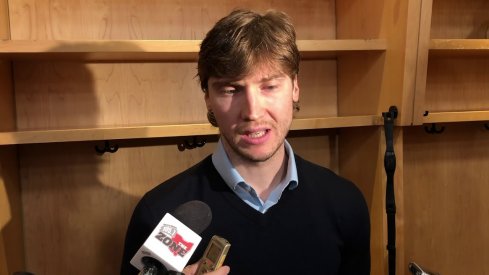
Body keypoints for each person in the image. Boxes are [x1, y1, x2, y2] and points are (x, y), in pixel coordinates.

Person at [121, 9, 370, 275]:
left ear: (295, 87)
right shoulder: (161, 214)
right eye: (231, 90)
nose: (252, 111)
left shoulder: (345, 203)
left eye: (270, 86)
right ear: (208, 98)